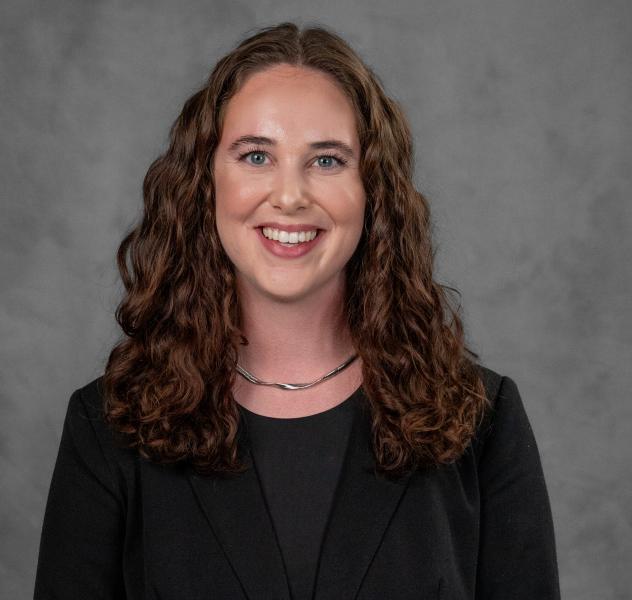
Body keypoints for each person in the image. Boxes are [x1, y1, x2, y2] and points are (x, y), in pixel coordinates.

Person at [34, 21, 560, 599]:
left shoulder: (481, 421)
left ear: (373, 190)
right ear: (205, 182)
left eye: (327, 160)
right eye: (256, 155)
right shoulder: (108, 428)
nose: (289, 196)